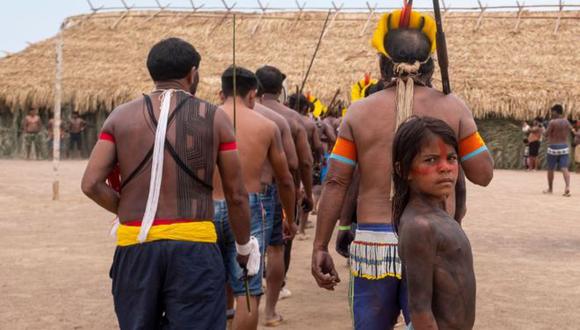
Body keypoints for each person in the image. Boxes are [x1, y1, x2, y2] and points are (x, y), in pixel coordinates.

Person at [311, 6, 493, 330]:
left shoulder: (359, 112)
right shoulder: (453, 107)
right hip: (433, 239)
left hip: (372, 244)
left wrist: (320, 245)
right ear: (431, 64)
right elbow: (483, 173)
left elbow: (337, 182)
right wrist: (457, 126)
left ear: (383, 63)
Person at [81, 37, 254, 329]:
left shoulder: (119, 117)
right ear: (192, 73)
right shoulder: (215, 118)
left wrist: (129, 210)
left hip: (136, 246)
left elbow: (91, 184)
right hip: (194, 250)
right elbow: (236, 195)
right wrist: (244, 248)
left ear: (153, 73)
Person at [213, 66, 296, 330]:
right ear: (252, 95)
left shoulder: (203, 119)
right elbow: (285, 178)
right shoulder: (267, 126)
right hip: (249, 208)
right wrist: (290, 219)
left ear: (220, 92)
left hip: (205, 207)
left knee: (208, 284)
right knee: (247, 292)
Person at [392, 116, 476, 330]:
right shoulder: (420, 227)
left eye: (451, 158)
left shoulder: (439, 215)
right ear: (404, 170)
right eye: (430, 160)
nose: (445, 168)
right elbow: (420, 310)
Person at [256, 65, 314, 302]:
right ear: (280, 89)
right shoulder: (292, 119)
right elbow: (305, 162)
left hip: (242, 189)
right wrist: (307, 193)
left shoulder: (238, 113)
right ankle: (276, 293)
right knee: (279, 244)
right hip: (280, 190)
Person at [253, 101, 299, 327]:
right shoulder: (275, 121)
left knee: (235, 251)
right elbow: (292, 165)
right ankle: (269, 313)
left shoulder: (218, 116)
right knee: (275, 249)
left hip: (225, 193)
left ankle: (230, 311)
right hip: (264, 191)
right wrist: (290, 219)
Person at [287, 92, 323, 239]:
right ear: (304, 107)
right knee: (304, 197)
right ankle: (301, 229)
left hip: (287, 165)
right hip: (304, 164)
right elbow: (318, 145)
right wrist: (318, 159)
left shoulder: (282, 120)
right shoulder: (309, 124)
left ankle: (289, 221)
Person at [543, 104, 574, 196]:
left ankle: (550, 189)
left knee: (550, 169)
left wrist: (543, 130)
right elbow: (573, 132)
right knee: (564, 168)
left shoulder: (553, 122)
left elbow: (546, 134)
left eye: (552, 111)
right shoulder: (567, 122)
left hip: (553, 147)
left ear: (556, 112)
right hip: (564, 147)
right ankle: (567, 187)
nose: (551, 113)